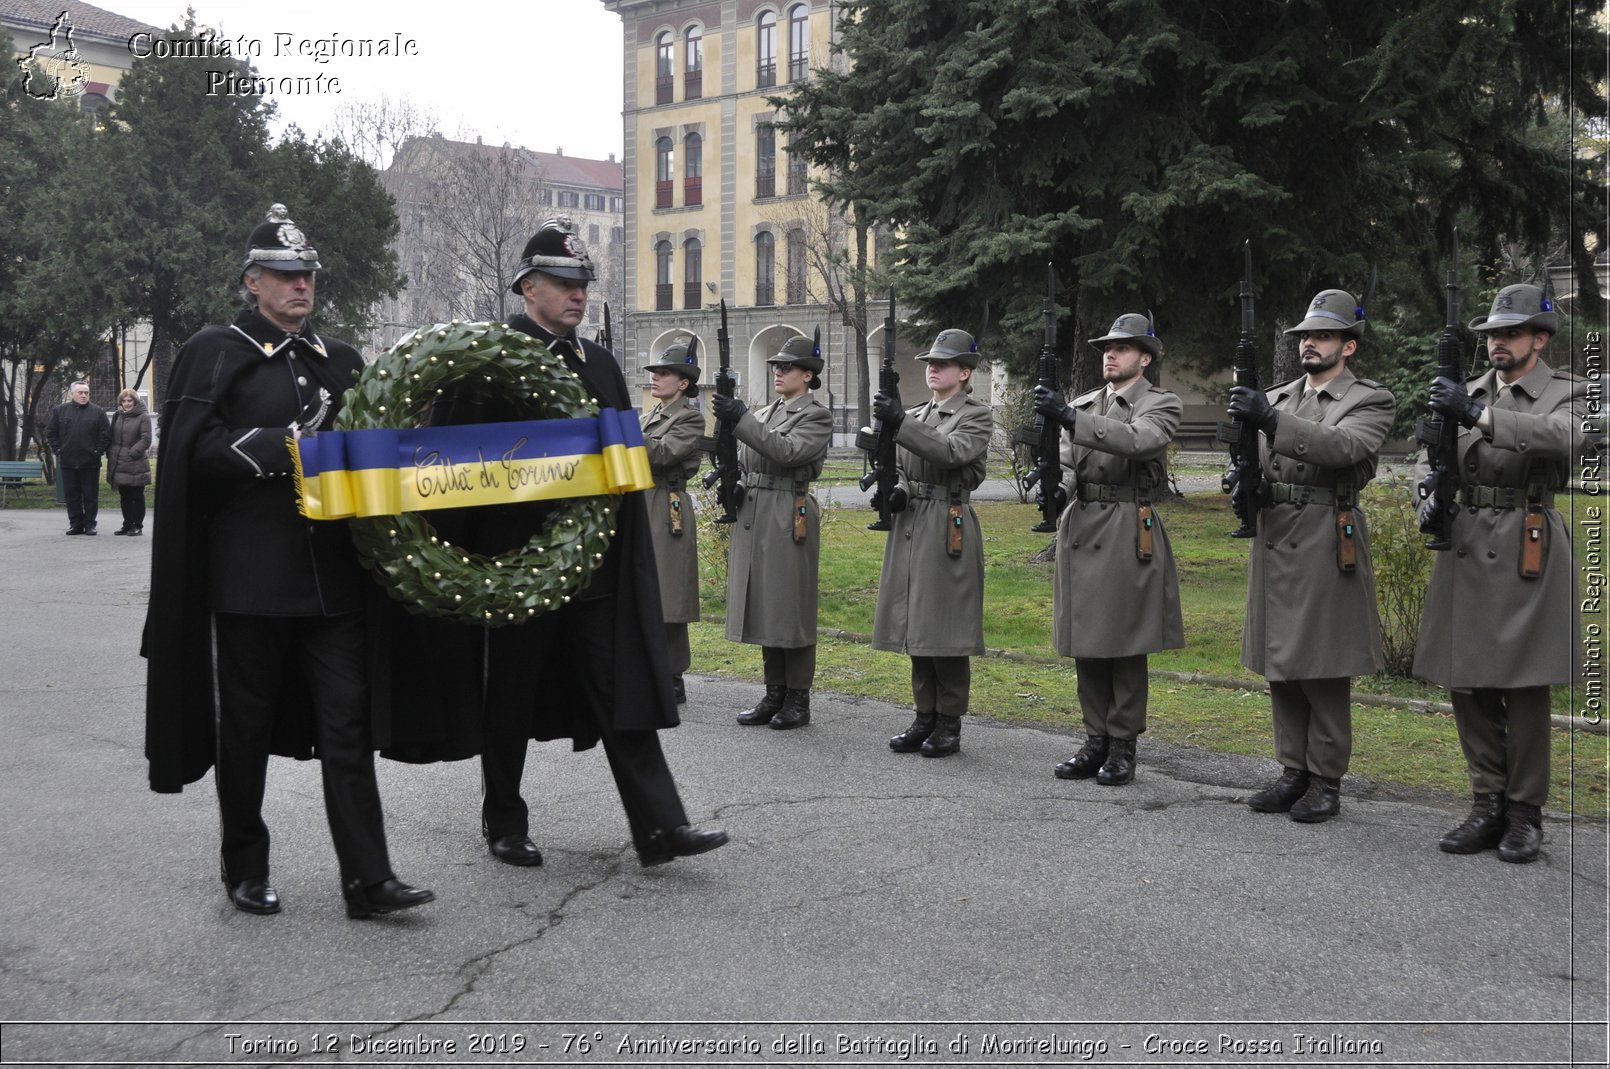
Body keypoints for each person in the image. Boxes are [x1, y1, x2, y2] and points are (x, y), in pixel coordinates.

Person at [143, 204, 434, 919]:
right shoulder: (216, 350)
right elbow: (192, 450)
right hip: (249, 581)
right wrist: (283, 448)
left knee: (348, 726)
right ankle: (245, 864)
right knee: (244, 729)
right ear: (253, 281)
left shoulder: (340, 360)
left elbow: (373, 443)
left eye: (306, 275)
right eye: (284, 275)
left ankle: (369, 878)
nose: (300, 285)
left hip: (333, 584)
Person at [477, 216, 728, 868]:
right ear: (528, 286)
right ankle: (503, 821)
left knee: (623, 694)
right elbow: (467, 466)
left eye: (582, 283)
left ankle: (660, 826)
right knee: (509, 694)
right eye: (563, 283)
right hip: (521, 563)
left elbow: (628, 462)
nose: (577, 295)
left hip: (592, 566)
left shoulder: (602, 365)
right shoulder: (491, 359)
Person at [1413, 283, 1587, 863]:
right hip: (1465, 538)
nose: (1497, 344)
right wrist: (1425, 496)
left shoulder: (1568, 392)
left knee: (1524, 685)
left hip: (1525, 541)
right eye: (1491, 335)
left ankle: (1524, 811)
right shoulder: (1463, 391)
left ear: (1539, 338)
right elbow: (1429, 450)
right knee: (1468, 681)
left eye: (1510, 334)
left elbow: (1567, 438)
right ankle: (1486, 801)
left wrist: (1481, 416)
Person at [1227, 288, 1395, 823]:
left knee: (1322, 664)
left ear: (1348, 346)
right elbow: (1256, 458)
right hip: (1275, 532)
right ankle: (1292, 770)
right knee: (1282, 661)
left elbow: (1345, 449)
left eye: (1323, 336)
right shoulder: (1276, 397)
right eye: (1305, 336)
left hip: (1327, 533)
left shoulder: (1369, 399)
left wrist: (1271, 424)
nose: (1310, 345)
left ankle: (1325, 778)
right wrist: (1240, 473)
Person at [1033, 314, 1184, 784]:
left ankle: (1123, 744)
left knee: (1123, 642)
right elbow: (1066, 458)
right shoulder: (1083, 403)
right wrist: (1056, 489)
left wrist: (1073, 419)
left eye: (1122, 348)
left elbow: (1141, 441)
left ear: (1145, 357)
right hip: (1082, 524)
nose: (1110, 355)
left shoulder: (1160, 403)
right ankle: (1094, 738)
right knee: (1087, 640)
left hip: (1126, 526)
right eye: (1106, 348)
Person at [870, 329, 993, 758]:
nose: (933, 368)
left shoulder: (976, 415)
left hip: (947, 523)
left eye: (942, 363)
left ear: (965, 372)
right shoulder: (919, 412)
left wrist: (900, 422)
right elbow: (907, 467)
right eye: (930, 362)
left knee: (946, 628)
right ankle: (924, 715)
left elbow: (953, 453)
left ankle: (949, 721)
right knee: (915, 623)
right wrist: (897, 489)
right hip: (912, 522)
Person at [710, 334, 833, 729]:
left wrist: (741, 417)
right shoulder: (766, 412)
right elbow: (750, 459)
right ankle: (774, 693)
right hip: (756, 510)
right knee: (764, 602)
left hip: (788, 512)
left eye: (787, 367)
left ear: (808, 376)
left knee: (789, 606)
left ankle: (798, 698)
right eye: (776, 366)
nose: (778, 371)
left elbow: (788, 452)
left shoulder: (815, 415)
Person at [640, 340, 705, 705]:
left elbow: (662, 454)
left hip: (667, 504)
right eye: (654, 373)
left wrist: (623, 431)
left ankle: (672, 676)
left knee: (668, 594)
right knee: (644, 591)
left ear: (683, 383)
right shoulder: (649, 416)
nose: (656, 378)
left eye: (663, 373)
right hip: (642, 501)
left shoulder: (689, 417)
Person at [46, 380, 110, 535]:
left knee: (90, 495)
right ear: (71, 394)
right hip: (68, 461)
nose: (83, 395)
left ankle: (90, 525)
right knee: (72, 495)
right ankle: (75, 524)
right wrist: (59, 450)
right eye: (80, 392)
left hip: (90, 463)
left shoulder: (98, 412)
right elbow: (51, 433)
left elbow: (105, 435)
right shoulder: (59, 411)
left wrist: (97, 451)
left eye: (86, 393)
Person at [106, 388, 152, 536]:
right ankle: (127, 524)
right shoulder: (118, 416)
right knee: (124, 495)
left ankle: (137, 525)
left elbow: (146, 439)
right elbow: (112, 436)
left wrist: (132, 452)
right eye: (124, 401)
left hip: (136, 463)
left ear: (135, 401)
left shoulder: (143, 417)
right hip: (119, 462)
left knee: (137, 495)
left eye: (129, 401)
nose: (126, 404)